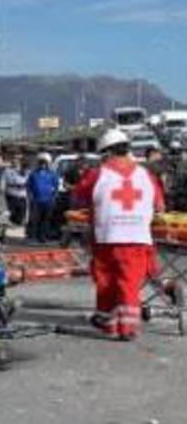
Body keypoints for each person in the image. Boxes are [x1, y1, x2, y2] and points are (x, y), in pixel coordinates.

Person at [72, 129, 164, 340]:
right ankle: (118, 324)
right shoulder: (147, 175)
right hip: (137, 237)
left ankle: (123, 327)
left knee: (107, 281)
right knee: (128, 282)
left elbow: (78, 196)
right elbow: (159, 206)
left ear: (106, 152)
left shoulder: (98, 174)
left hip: (107, 237)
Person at [25, 153, 60, 242]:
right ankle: (33, 236)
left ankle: (43, 236)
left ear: (47, 164)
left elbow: (56, 186)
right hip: (36, 200)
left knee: (46, 219)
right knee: (35, 219)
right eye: (41, 163)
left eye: (44, 163)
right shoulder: (33, 174)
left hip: (48, 201)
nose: (42, 165)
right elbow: (28, 186)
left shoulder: (52, 174)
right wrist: (30, 197)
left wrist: (54, 197)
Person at [2, 156, 29, 228]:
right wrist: (2, 189)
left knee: (21, 212)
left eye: (17, 161)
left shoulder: (24, 170)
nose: (15, 162)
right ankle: (10, 224)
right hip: (11, 193)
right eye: (14, 161)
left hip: (22, 194)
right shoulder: (7, 170)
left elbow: (27, 180)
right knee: (11, 211)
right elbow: (3, 181)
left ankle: (17, 223)